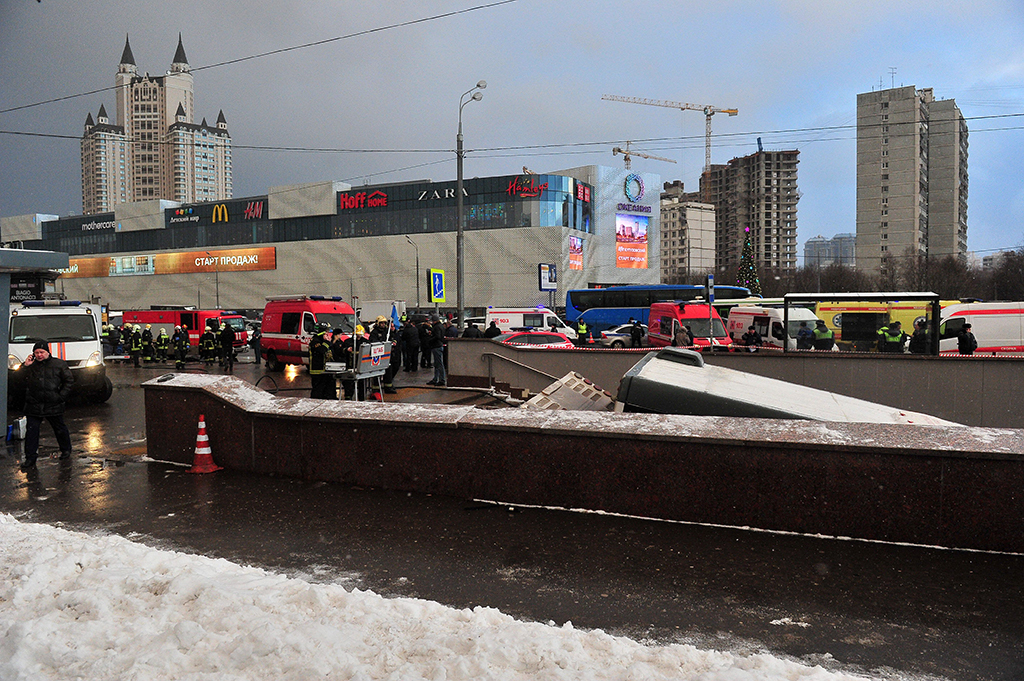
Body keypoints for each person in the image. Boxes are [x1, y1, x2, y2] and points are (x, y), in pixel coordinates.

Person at [19, 340, 74, 470]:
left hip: (53, 403)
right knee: (32, 432)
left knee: (59, 428)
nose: (39, 355)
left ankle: (66, 450)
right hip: (34, 404)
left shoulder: (59, 364)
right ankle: (30, 458)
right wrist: (25, 366)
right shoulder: (30, 366)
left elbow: (69, 381)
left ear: (48, 352)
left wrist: (61, 397)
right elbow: (17, 380)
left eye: (41, 352)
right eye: (36, 352)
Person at [367, 315, 397, 394]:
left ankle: (388, 387)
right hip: (378, 356)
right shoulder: (374, 332)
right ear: (377, 323)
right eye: (381, 323)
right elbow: (372, 341)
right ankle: (376, 389)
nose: (383, 325)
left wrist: (393, 342)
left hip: (387, 355)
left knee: (389, 371)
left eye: (384, 323)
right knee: (377, 372)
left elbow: (393, 338)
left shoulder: (387, 331)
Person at [308, 324, 334, 399]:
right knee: (318, 390)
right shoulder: (315, 341)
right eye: (326, 332)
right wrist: (327, 342)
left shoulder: (323, 341)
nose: (327, 334)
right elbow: (321, 350)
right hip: (317, 370)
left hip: (325, 370)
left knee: (327, 390)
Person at [427, 316, 446, 387]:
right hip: (439, 345)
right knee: (437, 363)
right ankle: (436, 379)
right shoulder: (441, 326)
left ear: (435, 321)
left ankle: (441, 379)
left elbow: (437, 336)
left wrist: (430, 339)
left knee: (439, 364)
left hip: (436, 346)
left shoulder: (436, 327)